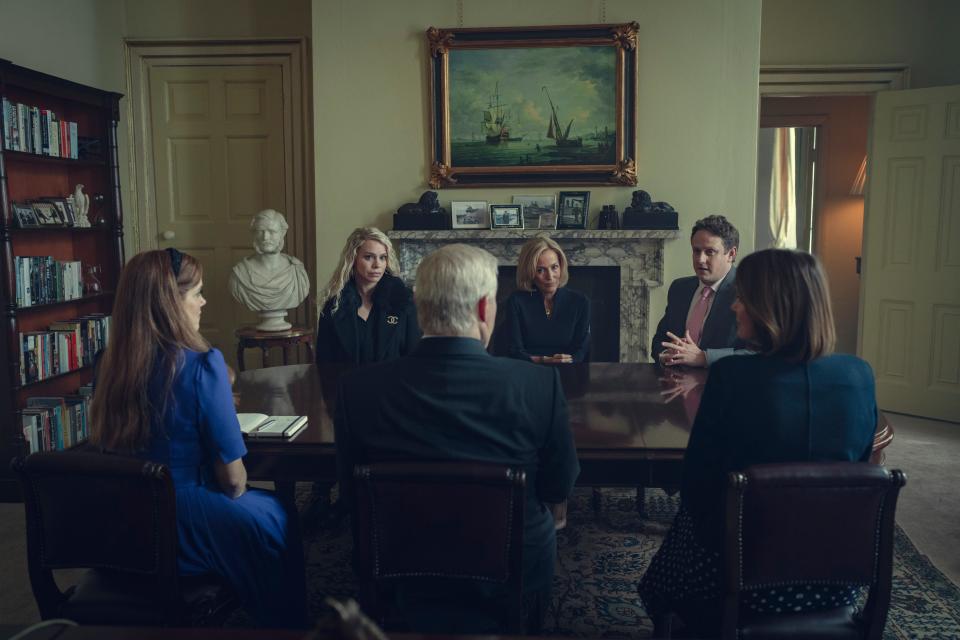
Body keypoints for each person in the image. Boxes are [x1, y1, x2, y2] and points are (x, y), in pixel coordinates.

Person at [334, 244, 580, 633]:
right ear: (485, 309)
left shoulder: (357, 390)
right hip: (508, 572)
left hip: (398, 569)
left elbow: (350, 494)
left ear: (419, 306)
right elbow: (557, 486)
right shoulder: (538, 386)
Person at [638, 248, 878, 637]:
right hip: (836, 580)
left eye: (742, 297)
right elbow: (859, 472)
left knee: (671, 563)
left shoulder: (733, 376)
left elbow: (697, 484)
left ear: (769, 306)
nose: (734, 306)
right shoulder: (859, 376)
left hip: (740, 576)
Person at [89, 248, 307, 628]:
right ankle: (285, 626)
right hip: (183, 514)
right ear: (170, 302)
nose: (204, 301)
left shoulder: (110, 363)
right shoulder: (203, 365)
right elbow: (235, 482)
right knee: (278, 514)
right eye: (197, 293)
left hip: (122, 515)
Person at [651, 214, 746, 367]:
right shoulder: (680, 288)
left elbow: (758, 354)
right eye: (696, 251)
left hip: (723, 384)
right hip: (675, 381)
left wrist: (704, 358)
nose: (700, 259)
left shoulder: (749, 292)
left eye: (710, 252)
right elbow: (660, 339)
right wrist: (665, 354)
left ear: (731, 254)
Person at [315, 227, 420, 364]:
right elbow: (325, 363)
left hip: (392, 384)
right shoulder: (334, 305)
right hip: (348, 385)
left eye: (382, 257)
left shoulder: (404, 301)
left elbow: (415, 358)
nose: (377, 265)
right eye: (368, 257)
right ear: (353, 259)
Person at [505, 235, 591, 363]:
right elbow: (514, 350)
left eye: (554, 267)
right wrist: (543, 360)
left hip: (568, 370)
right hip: (528, 370)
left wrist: (568, 361)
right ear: (530, 272)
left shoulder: (580, 302)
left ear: (561, 266)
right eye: (540, 270)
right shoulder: (516, 301)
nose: (550, 276)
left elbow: (581, 350)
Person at [229, 209, 310, 317]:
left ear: (282, 233)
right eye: (260, 231)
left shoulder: (297, 272)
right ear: (254, 233)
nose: (265, 237)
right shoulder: (240, 275)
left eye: (272, 232)